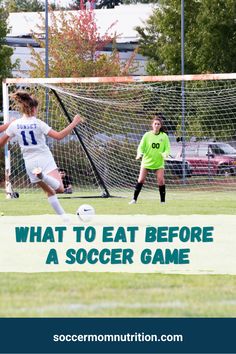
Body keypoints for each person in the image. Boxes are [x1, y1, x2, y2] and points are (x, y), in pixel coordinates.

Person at [0, 91, 83, 220]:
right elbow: (59, 136)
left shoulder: (15, 125)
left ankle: (64, 218)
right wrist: (74, 122)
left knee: (49, 192)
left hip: (30, 163)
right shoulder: (38, 123)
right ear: (33, 109)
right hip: (44, 157)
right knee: (60, 189)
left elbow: (1, 143)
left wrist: (8, 136)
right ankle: (43, 175)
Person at [129, 114, 170, 204]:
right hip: (147, 162)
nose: (156, 125)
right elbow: (141, 147)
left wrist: (165, 154)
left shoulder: (164, 136)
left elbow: (167, 149)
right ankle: (134, 199)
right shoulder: (147, 135)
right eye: (155, 124)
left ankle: (162, 201)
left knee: (161, 180)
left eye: (158, 124)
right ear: (152, 125)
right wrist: (139, 154)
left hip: (158, 163)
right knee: (141, 180)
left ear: (161, 126)